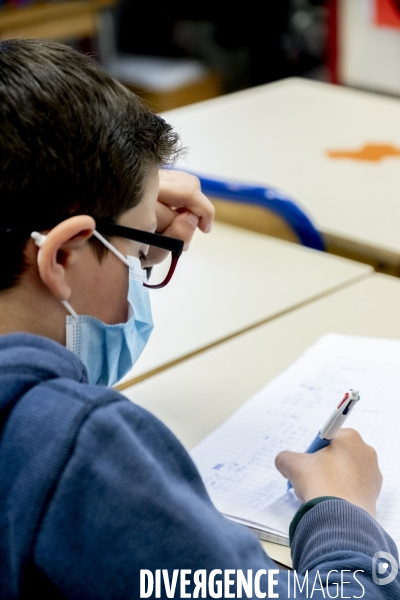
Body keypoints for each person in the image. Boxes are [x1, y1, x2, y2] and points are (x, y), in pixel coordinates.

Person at [0, 38, 397, 599]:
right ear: (62, 256)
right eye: (138, 259)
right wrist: (345, 514)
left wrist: (123, 211)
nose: (144, 273)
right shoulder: (82, 453)